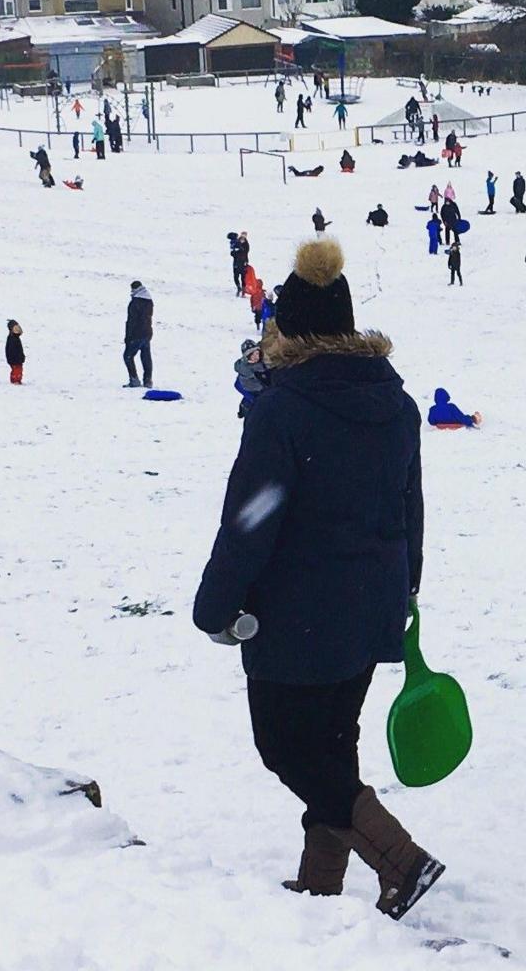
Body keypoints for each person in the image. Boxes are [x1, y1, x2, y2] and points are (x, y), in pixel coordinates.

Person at [191, 238, 442, 918]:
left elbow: (252, 519)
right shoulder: (395, 403)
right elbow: (408, 504)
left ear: (290, 333)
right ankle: (322, 884)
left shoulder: (283, 411)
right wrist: (406, 586)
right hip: (369, 606)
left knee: (286, 747)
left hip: (297, 614)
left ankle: (402, 861)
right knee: (331, 745)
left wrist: (215, 605)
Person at [123, 280, 155, 389]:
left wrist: (128, 337)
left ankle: (134, 380)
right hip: (147, 332)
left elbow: (132, 321)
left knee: (127, 356)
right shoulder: (149, 301)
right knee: (146, 357)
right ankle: (148, 381)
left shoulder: (135, 303)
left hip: (136, 334)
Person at [5, 320, 26, 384]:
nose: (17, 330)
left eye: (18, 328)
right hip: (14, 359)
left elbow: (19, 349)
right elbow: (10, 350)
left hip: (18, 359)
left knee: (20, 370)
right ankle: (15, 380)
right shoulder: (11, 338)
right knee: (16, 370)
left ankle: (18, 380)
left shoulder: (16, 338)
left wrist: (22, 356)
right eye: (15, 329)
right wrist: (13, 358)